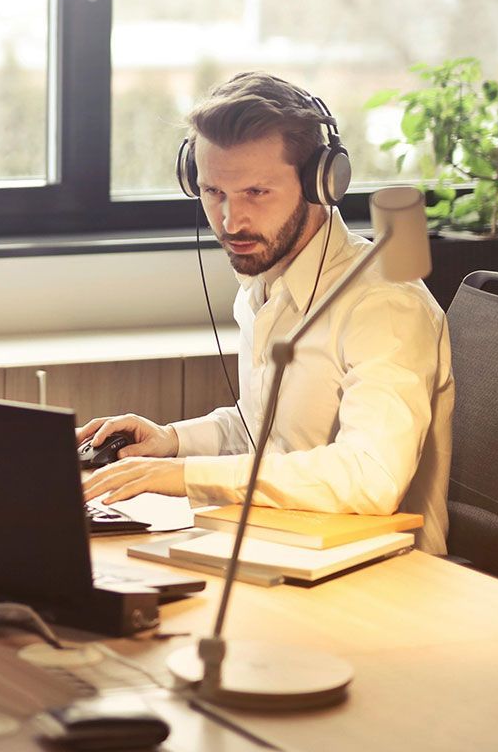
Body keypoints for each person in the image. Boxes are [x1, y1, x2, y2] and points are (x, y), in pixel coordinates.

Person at [80, 72, 455, 555]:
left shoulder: (385, 304)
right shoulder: (263, 284)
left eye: (256, 193)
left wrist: (186, 476)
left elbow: (371, 477)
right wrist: (171, 442)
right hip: (280, 545)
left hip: (383, 576)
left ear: (321, 182)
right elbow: (265, 434)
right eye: (214, 192)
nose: (231, 222)